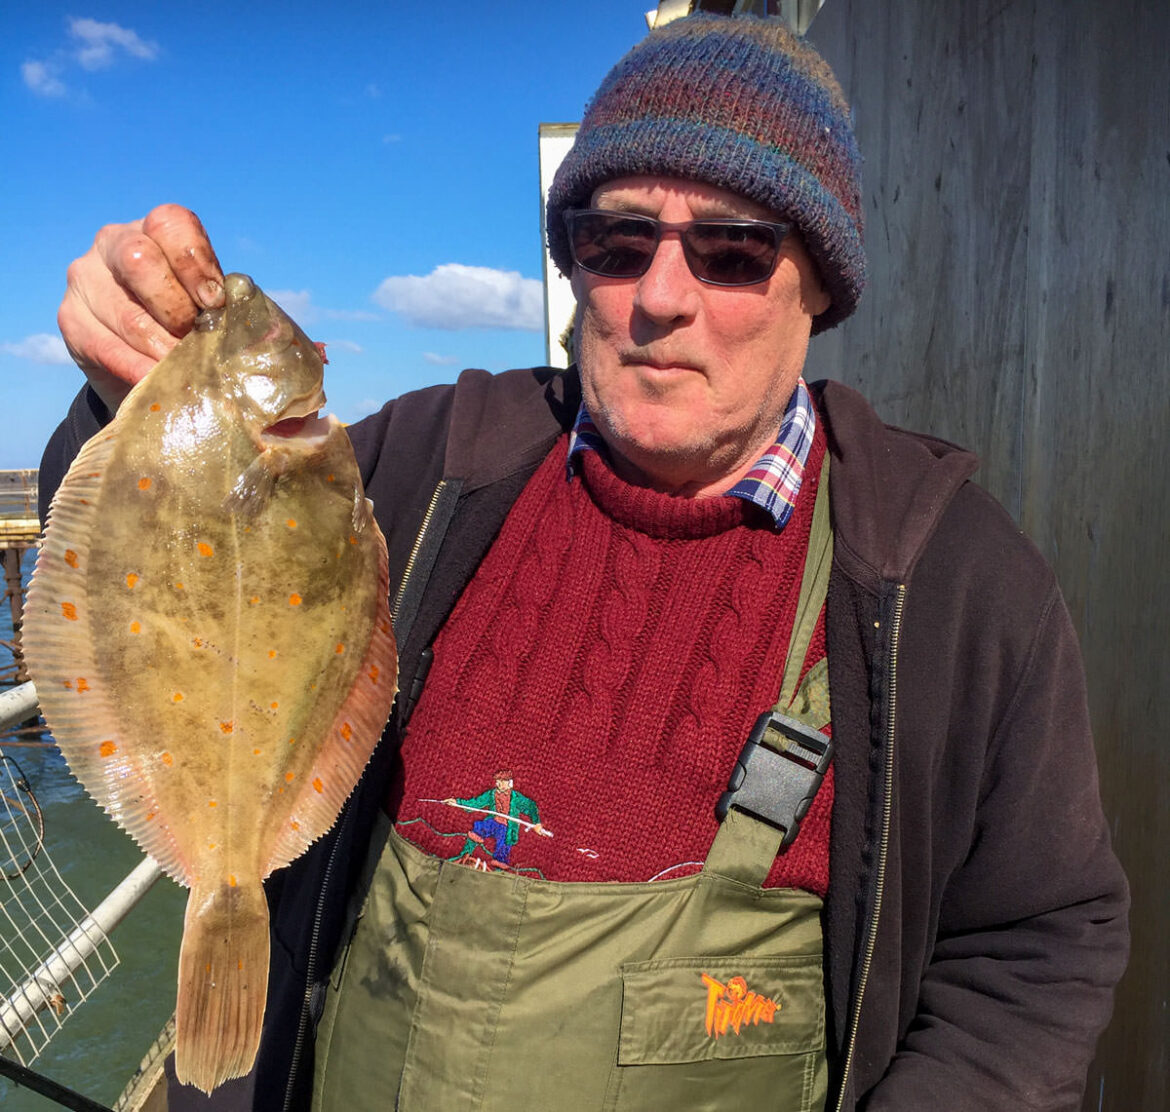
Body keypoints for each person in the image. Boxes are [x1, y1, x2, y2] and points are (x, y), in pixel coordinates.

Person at [42, 13, 1128, 1112]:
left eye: (734, 249)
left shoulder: (953, 584)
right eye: (617, 242)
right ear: (575, 270)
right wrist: (126, 392)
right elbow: (164, 560)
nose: (660, 296)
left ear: (821, 289)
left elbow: (1037, 948)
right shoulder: (425, 466)